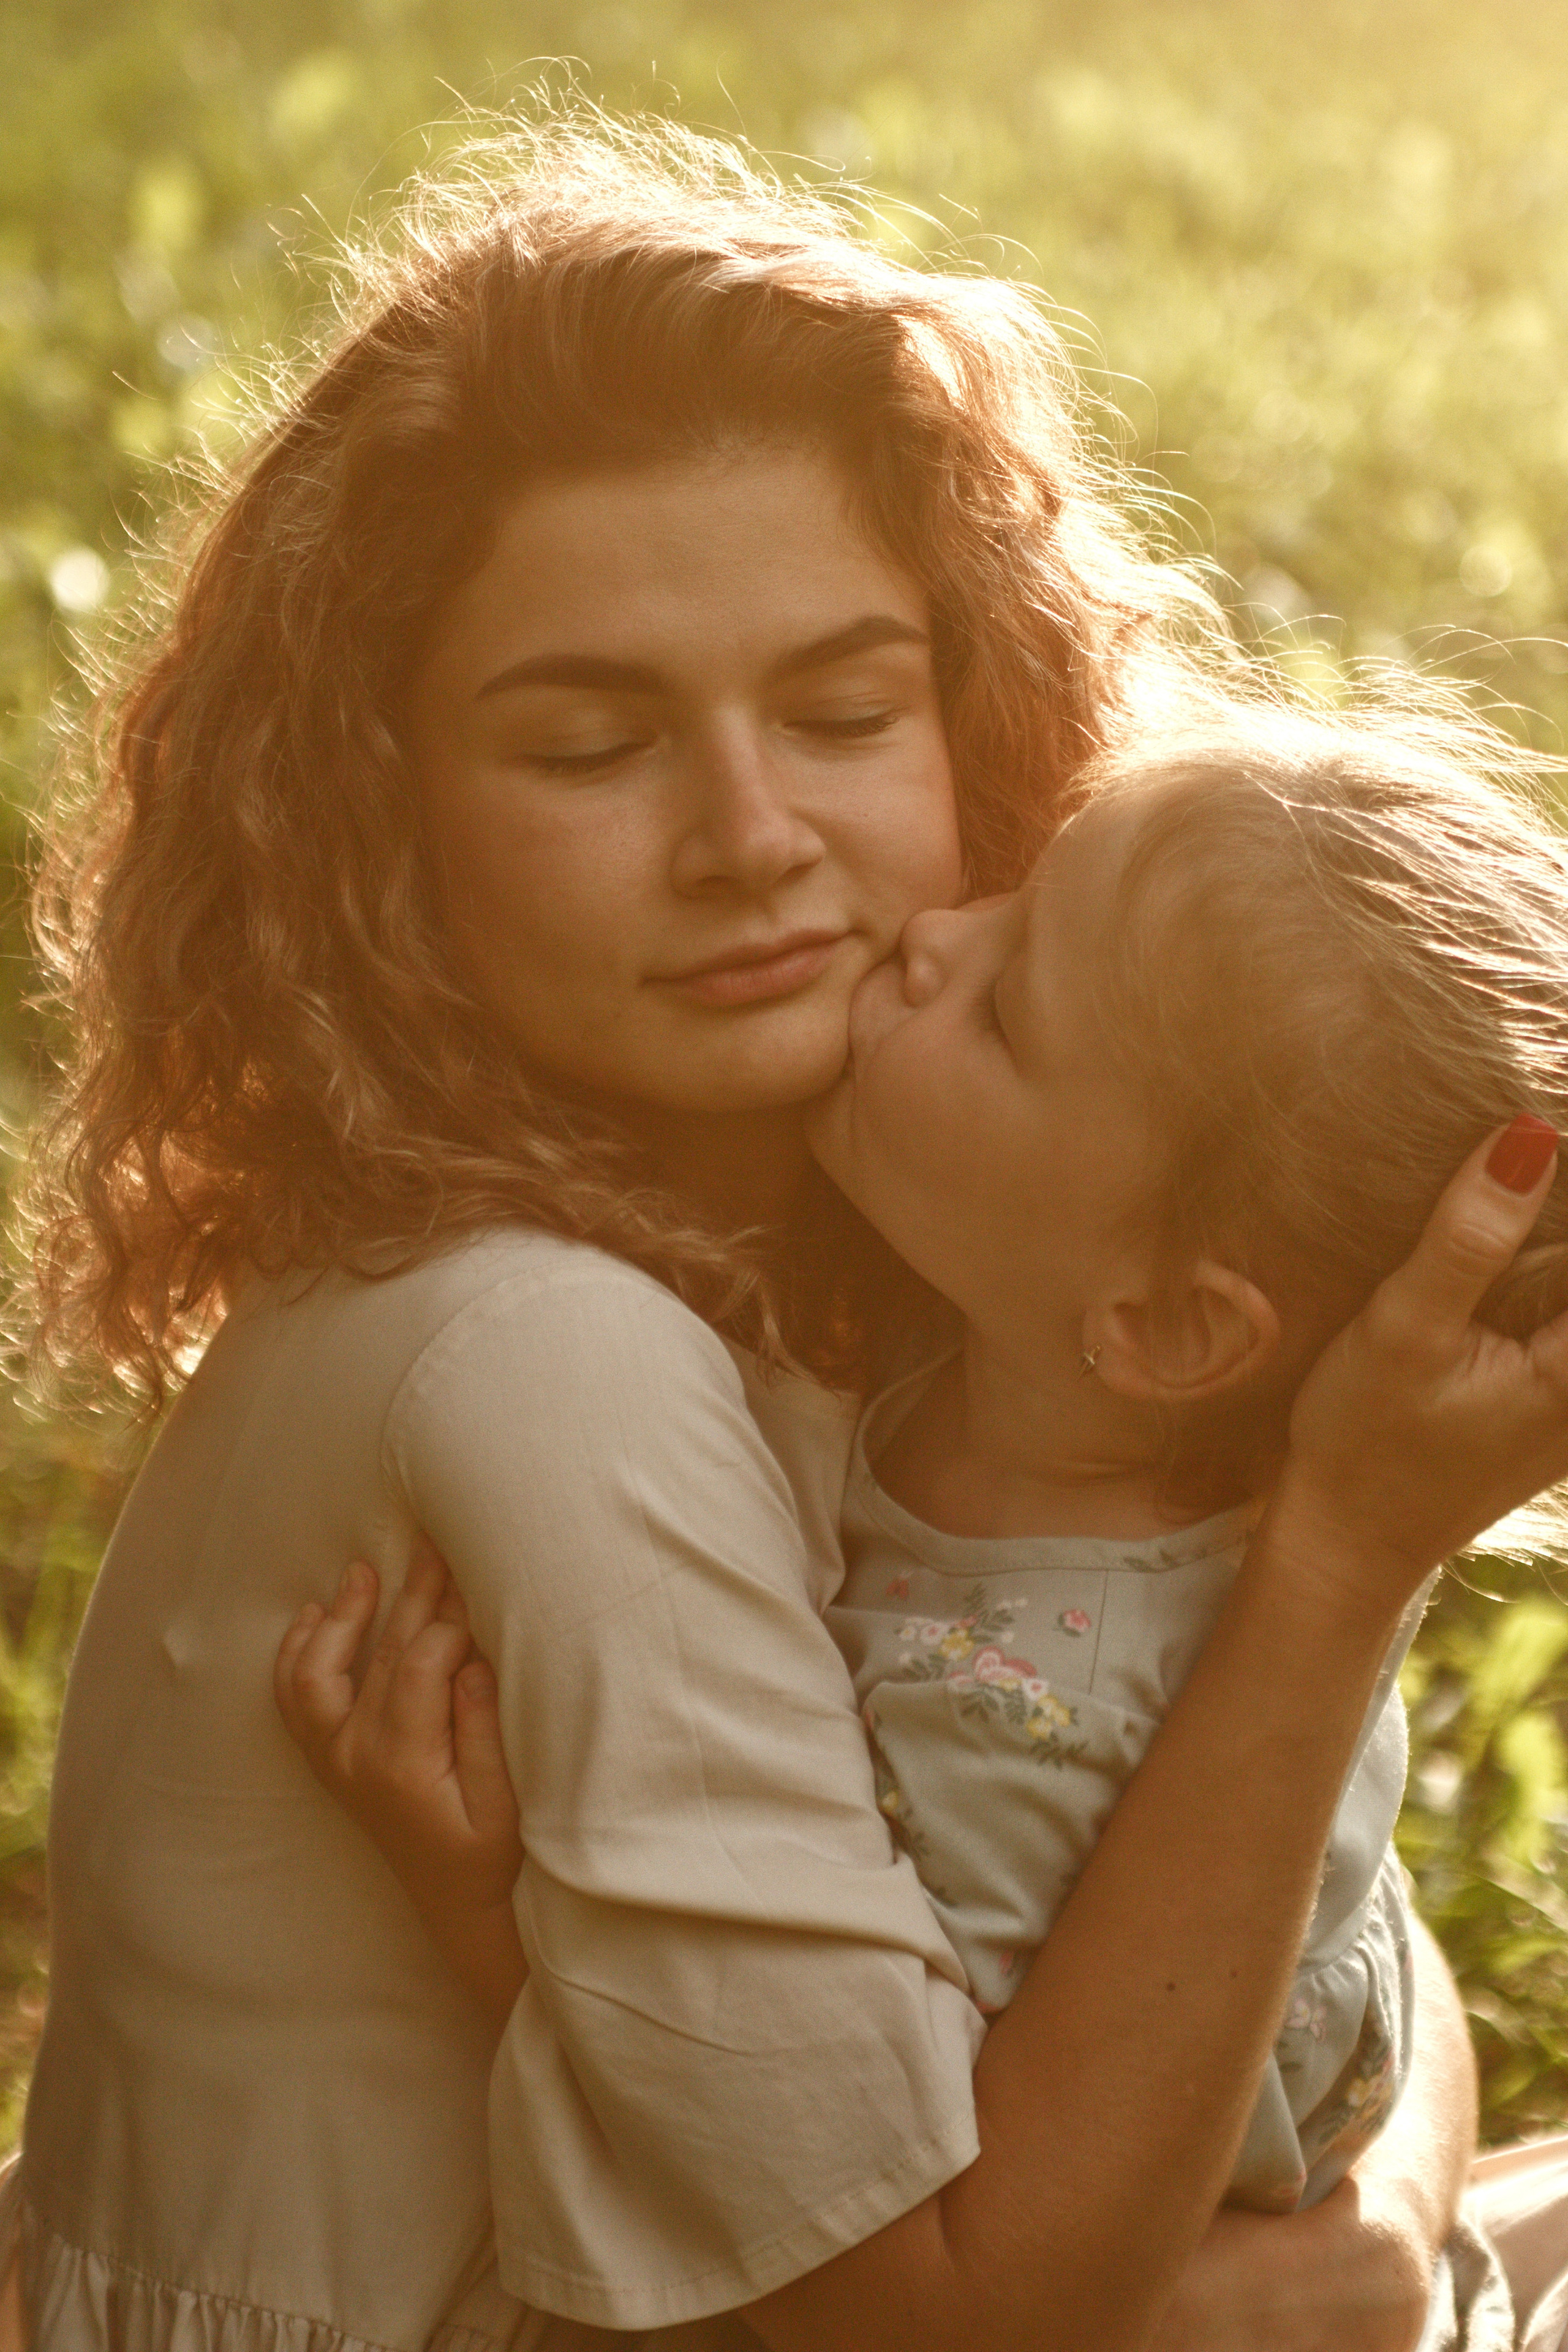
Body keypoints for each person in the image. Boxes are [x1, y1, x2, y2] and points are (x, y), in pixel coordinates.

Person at [11, 111, 1568, 2352]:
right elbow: (967, 2319)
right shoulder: (558, 1365)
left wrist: (1375, 2241)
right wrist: (1337, 1574)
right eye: (588, 748)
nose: (753, 838)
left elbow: (1335, 1995)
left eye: (844, 708)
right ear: (374, 813)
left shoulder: (904, 1311)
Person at [278, 716, 1568, 2339]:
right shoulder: (1048, 1408)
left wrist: (492, 1919)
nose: (928, 935)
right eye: (1010, 899)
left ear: (1168, 1329)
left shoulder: (1014, 1733)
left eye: (1009, 1006)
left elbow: (825, 2242)